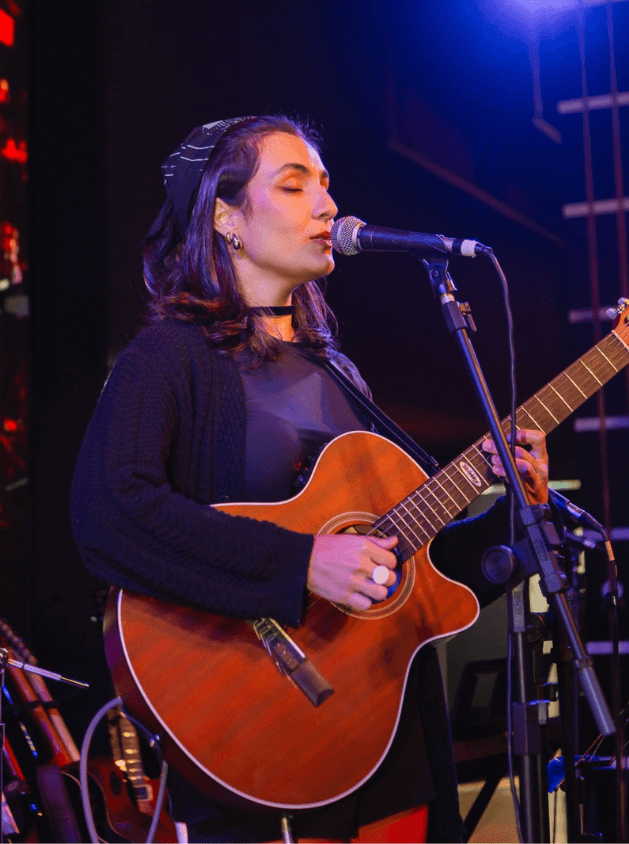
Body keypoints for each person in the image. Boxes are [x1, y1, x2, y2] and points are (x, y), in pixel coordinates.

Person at [71, 115, 549, 843]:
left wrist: (514, 511)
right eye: (294, 186)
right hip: (261, 732)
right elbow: (111, 514)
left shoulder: (339, 373)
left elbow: (409, 577)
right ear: (226, 217)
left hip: (386, 744)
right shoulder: (167, 359)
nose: (327, 206)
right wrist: (299, 563)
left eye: (325, 186)